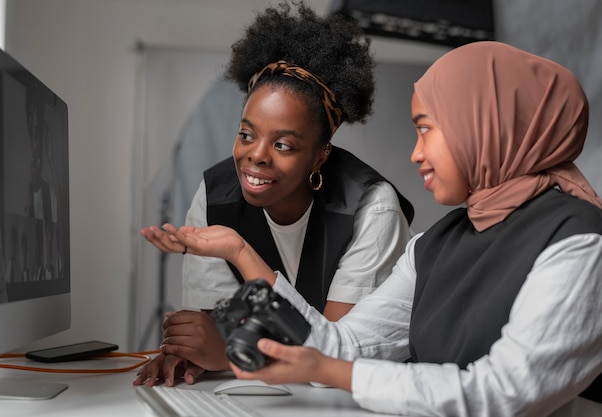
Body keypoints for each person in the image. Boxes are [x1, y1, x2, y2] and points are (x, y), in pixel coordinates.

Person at [160, 41, 602, 416]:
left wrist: (324, 370)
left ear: (487, 127)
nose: (415, 154)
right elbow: (342, 343)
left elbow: (504, 392)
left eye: (427, 130)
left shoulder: (580, 242)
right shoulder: (433, 245)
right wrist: (240, 251)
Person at [134, 1, 414, 387]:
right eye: (246, 134)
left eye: (283, 145)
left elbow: (330, 361)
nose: (256, 157)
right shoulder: (216, 195)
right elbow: (210, 334)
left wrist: (225, 352)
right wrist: (191, 353)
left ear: (320, 155)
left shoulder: (371, 208)